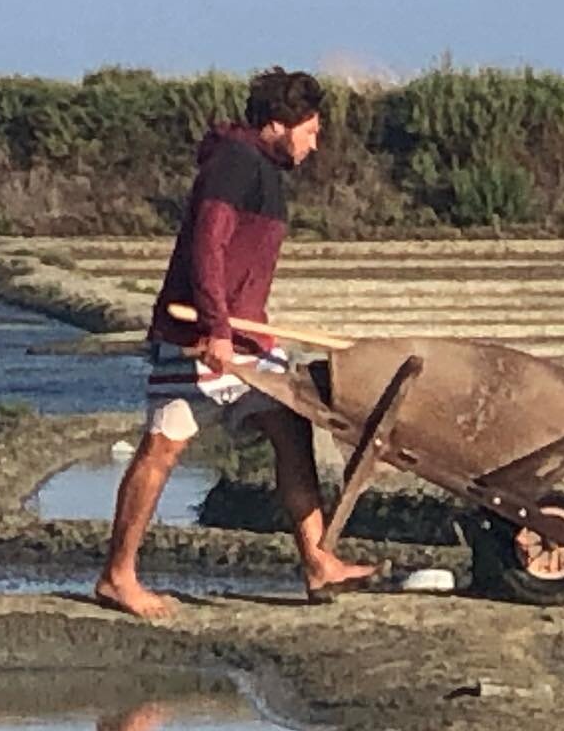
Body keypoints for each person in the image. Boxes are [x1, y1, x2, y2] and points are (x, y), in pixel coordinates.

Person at [97, 67, 376, 619]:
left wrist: (239, 327)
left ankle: (319, 562)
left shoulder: (261, 170)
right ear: (280, 122)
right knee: (162, 447)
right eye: (311, 129)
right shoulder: (234, 162)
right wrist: (218, 328)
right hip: (203, 338)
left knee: (290, 430)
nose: (315, 142)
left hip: (245, 338)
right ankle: (116, 576)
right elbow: (208, 244)